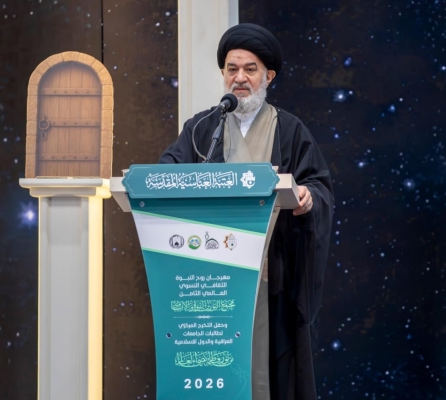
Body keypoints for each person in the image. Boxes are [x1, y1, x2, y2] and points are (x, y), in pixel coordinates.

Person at [159, 23, 334, 400]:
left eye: (250, 69)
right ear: (223, 74)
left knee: (265, 374)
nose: (239, 78)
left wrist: (307, 197)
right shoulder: (201, 129)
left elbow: (319, 187)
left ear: (268, 76)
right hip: (210, 280)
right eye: (232, 69)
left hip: (271, 279)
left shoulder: (289, 130)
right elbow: (165, 175)